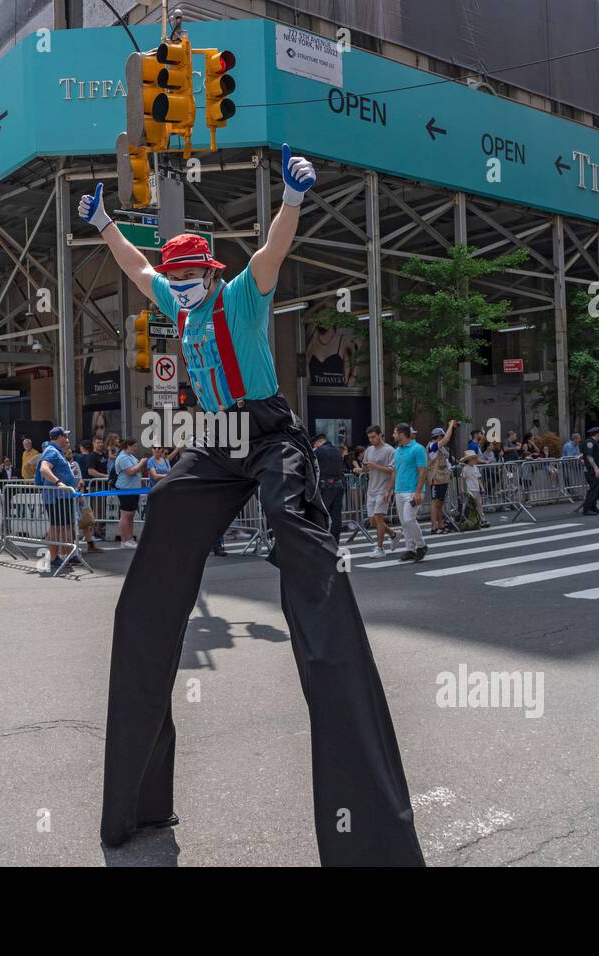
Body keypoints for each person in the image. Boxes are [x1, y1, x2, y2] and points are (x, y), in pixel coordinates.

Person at [78, 143, 425, 865]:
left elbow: (270, 251)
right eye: (176, 276)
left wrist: (294, 199)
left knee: (303, 550)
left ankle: (369, 827)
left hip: (268, 432)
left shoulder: (239, 294)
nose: (181, 283)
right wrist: (107, 222)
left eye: (191, 273)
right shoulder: (173, 299)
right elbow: (137, 268)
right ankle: (136, 801)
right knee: (163, 533)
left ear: (209, 271)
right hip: (214, 440)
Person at [36, 426, 78, 570]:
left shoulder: (56, 451)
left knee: (64, 526)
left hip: (61, 496)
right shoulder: (52, 451)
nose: (66, 439)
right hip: (56, 497)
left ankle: (68, 555)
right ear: (58, 437)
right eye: (64, 436)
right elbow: (44, 468)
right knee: (57, 527)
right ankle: (54, 558)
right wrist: (58, 482)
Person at [392, 423, 428, 562]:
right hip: (399, 490)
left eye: (395, 433)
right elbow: (396, 471)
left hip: (413, 491)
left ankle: (421, 546)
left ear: (401, 435)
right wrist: (390, 490)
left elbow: (422, 471)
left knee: (408, 519)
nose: (393, 435)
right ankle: (410, 549)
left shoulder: (418, 449)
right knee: (404, 522)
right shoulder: (397, 451)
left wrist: (418, 492)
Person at [360, 425, 396, 553]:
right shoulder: (369, 450)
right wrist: (362, 468)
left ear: (380, 435)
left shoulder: (389, 450)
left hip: (383, 488)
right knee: (373, 521)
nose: (371, 439)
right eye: (369, 437)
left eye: (373, 437)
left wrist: (375, 466)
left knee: (378, 517)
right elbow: (366, 468)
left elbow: (392, 470)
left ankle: (379, 547)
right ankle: (393, 534)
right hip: (372, 488)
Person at [312, 433, 347, 544]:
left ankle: (321, 541)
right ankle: (335, 542)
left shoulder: (318, 451)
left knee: (320, 515)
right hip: (339, 485)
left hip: (325, 487)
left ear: (318, 442)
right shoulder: (337, 451)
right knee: (336, 517)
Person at [113, 438, 145, 548]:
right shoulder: (122, 457)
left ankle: (130, 538)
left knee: (131, 515)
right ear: (128, 446)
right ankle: (124, 540)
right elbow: (130, 471)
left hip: (133, 489)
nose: (136, 448)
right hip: (125, 489)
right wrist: (141, 463)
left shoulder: (130, 456)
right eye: (134, 446)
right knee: (126, 515)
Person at [426, 421, 456, 534]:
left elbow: (448, 458)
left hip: (443, 477)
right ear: (438, 437)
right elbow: (447, 440)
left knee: (440, 502)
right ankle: (434, 527)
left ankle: (441, 524)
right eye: (442, 436)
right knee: (435, 502)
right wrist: (450, 426)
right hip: (435, 477)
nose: (444, 438)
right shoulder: (432, 446)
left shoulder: (441, 448)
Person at [580, 425, 599, 516]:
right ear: (597, 434)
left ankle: (593, 507)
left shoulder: (596, 443)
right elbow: (589, 456)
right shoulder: (590, 442)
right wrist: (596, 468)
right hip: (592, 470)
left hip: (598, 468)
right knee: (594, 489)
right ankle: (587, 508)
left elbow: (598, 457)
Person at [459, 449, 487, 529]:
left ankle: (482, 519)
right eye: (473, 459)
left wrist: (482, 487)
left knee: (479, 505)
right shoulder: (465, 468)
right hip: (470, 490)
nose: (475, 460)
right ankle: (475, 520)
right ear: (469, 460)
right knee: (472, 506)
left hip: (477, 489)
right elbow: (462, 478)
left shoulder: (475, 468)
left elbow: (478, 478)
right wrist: (462, 488)